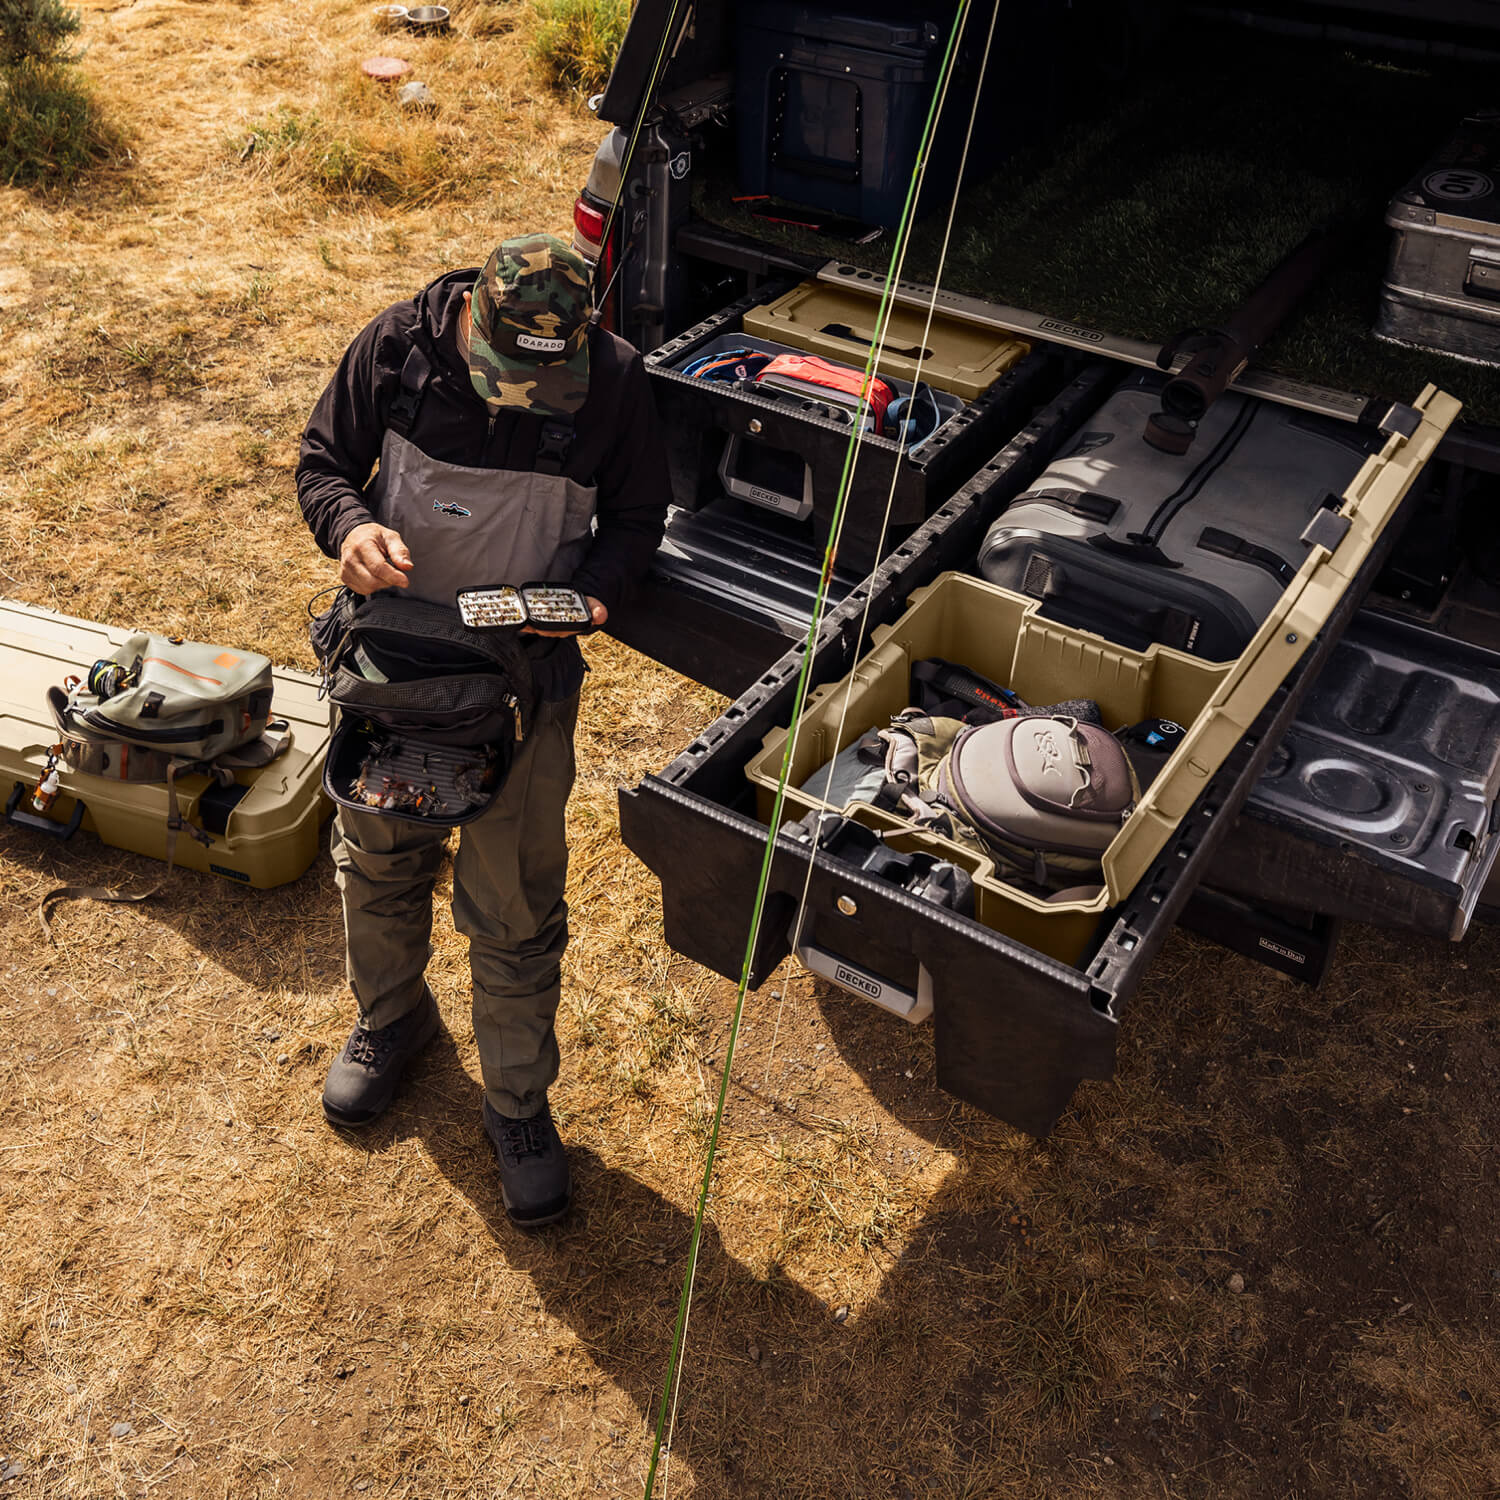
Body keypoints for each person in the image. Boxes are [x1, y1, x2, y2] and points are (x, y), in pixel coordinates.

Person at [296, 234, 670, 1227]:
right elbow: (322, 461)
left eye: (545, 385)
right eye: (503, 376)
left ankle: (516, 1106)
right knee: (376, 860)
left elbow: (639, 521)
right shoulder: (396, 346)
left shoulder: (618, 385)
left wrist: (592, 598)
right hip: (391, 670)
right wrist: (349, 530)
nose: (519, 399)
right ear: (473, 323)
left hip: (523, 686)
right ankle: (391, 1022)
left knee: (512, 909)